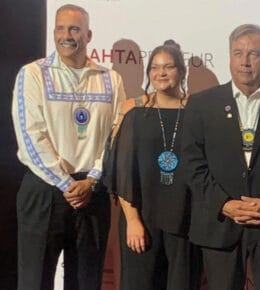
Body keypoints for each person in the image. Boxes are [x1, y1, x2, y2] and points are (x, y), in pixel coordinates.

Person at [181, 24, 260, 290]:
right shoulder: (202, 104)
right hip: (220, 225)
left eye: (253, 54)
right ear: (229, 57)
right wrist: (224, 204)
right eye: (238, 53)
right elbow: (192, 164)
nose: (245, 62)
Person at [11, 4, 126, 290]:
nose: (67, 36)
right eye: (60, 29)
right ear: (53, 33)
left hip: (92, 190)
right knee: (34, 279)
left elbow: (117, 135)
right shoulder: (33, 74)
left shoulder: (111, 79)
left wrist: (93, 179)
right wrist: (65, 184)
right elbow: (30, 136)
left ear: (88, 34)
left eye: (74, 29)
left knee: (87, 279)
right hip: (44, 190)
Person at [104, 40, 200, 290]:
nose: (161, 73)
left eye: (168, 67)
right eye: (155, 68)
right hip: (142, 219)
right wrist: (133, 220)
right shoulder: (136, 114)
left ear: (182, 71)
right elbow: (123, 171)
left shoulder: (198, 113)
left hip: (186, 221)